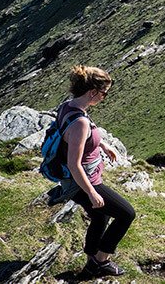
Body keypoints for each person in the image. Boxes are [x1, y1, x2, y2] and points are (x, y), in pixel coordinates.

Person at [57, 65, 135, 277]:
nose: (104, 97)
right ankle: (101, 261)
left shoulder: (68, 107)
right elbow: (75, 164)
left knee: (100, 218)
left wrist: (102, 145)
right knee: (127, 214)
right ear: (92, 92)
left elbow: (74, 137)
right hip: (84, 182)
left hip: (75, 181)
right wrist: (92, 192)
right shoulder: (80, 122)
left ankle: (91, 259)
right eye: (104, 93)